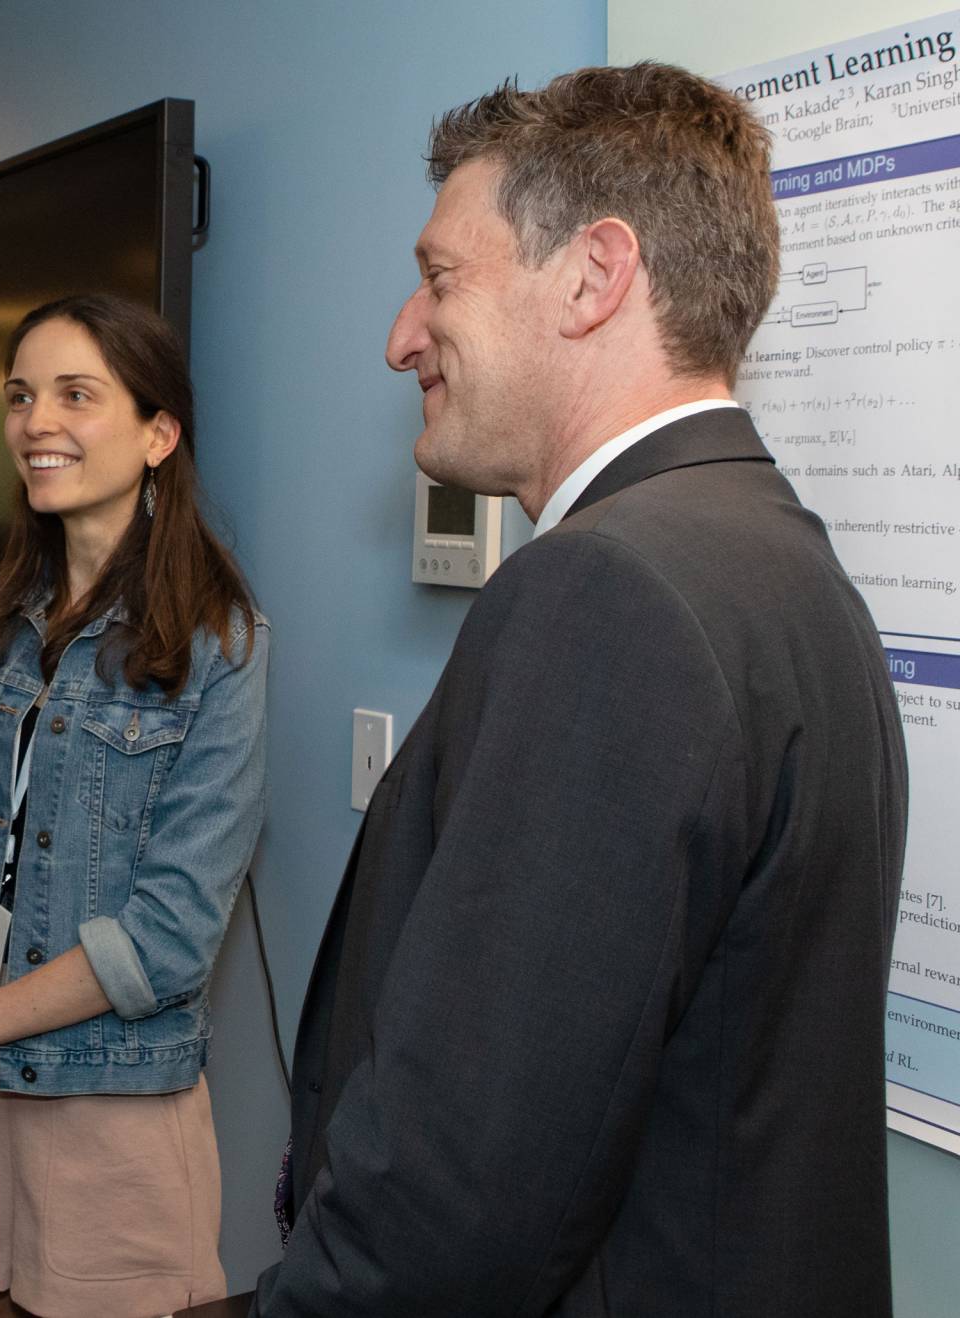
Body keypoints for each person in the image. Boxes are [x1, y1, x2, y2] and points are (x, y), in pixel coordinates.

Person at [251, 64, 906, 1317]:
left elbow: (457, 1200)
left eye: (442, 278)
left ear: (594, 276)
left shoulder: (604, 594)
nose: (401, 335)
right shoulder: (785, 561)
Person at [0, 293, 270, 1317]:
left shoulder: (219, 646)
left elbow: (171, 937)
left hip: (112, 1109)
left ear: (157, 433)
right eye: (20, 396)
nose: (36, 422)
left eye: (75, 395)